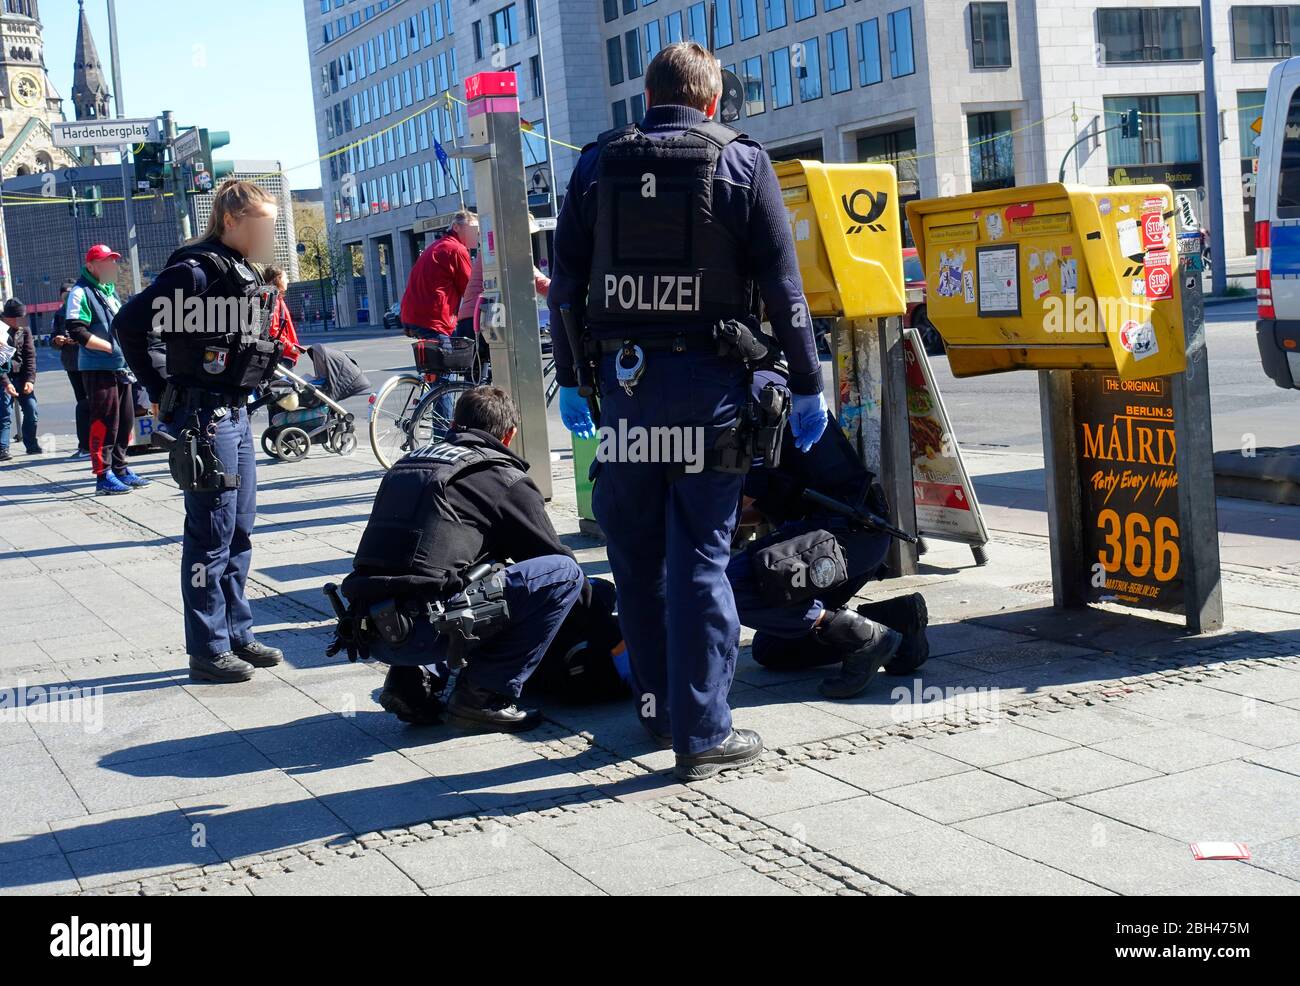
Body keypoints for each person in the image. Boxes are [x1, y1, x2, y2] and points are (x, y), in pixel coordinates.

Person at [549, 42, 828, 781]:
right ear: (712, 102)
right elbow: (783, 288)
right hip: (709, 393)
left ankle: (657, 714)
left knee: (636, 560)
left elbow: (566, 285)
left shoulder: (595, 163)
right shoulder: (741, 160)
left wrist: (573, 379)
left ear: (647, 96)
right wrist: (806, 381)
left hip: (626, 397)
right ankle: (703, 733)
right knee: (700, 557)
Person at [116, 179, 286, 683]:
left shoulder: (247, 271)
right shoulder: (194, 271)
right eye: (264, 225)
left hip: (235, 413)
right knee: (209, 536)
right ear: (232, 221)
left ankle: (237, 632)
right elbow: (130, 323)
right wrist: (160, 388)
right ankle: (207, 648)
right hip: (205, 419)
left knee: (239, 531)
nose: (269, 235)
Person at [340, 386, 587, 731]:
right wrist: (597, 603)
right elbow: (549, 558)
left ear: (455, 422)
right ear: (510, 434)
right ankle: (481, 697)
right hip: (423, 631)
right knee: (564, 575)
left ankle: (411, 685)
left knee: (453, 571)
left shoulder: (411, 462)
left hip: (368, 629)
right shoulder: (502, 476)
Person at [727, 368, 930, 698]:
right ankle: (893, 625)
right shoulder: (766, 382)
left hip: (843, 537)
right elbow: (764, 503)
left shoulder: (754, 399)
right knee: (773, 648)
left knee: (724, 585)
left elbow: (730, 503)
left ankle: (865, 638)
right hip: (852, 536)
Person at [64, 246, 148, 493]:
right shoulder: (80, 292)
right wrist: (111, 348)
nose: (112, 267)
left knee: (125, 420)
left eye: (113, 262)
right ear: (91, 267)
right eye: (105, 263)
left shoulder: (109, 291)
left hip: (120, 367)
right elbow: (76, 329)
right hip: (98, 367)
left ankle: (120, 469)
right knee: (105, 421)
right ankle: (103, 475)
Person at [399, 210, 477, 340]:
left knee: (433, 357)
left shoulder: (436, 245)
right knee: (454, 357)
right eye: (473, 230)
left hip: (412, 315)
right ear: (456, 227)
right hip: (434, 319)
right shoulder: (457, 249)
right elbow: (470, 289)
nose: (476, 235)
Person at [49, 280, 89, 457]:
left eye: (70, 294)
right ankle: (85, 444)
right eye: (64, 295)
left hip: (89, 362)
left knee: (92, 403)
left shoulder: (84, 308)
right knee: (82, 403)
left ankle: (94, 443)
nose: (68, 298)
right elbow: (53, 339)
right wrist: (58, 341)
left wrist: (80, 339)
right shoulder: (59, 314)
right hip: (72, 363)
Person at [0, 298, 40, 459]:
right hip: (3, 377)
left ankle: (31, 444)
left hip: (22, 376)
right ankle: (2, 449)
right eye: (19, 318)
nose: (22, 321)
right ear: (8, 318)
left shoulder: (25, 330)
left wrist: (30, 380)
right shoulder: (1, 331)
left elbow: (30, 356)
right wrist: (6, 383)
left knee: (31, 409)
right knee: (4, 413)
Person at [262, 265, 302, 366]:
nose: (287, 280)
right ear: (278, 279)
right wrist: (290, 347)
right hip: (282, 355)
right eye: (285, 278)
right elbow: (273, 330)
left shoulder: (272, 297)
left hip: (281, 353)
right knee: (283, 382)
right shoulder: (273, 299)